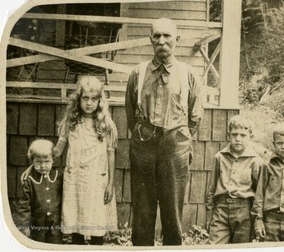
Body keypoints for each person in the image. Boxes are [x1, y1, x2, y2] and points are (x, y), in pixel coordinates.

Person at [125, 17, 203, 246]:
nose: (162, 41)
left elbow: (195, 116)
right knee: (142, 210)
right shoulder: (137, 73)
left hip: (175, 146)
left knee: (173, 212)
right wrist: (146, 136)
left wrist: (177, 139)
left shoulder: (189, 74)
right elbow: (130, 113)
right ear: (150, 39)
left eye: (167, 36)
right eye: (157, 36)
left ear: (176, 39)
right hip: (143, 147)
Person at [21, 75, 119, 245]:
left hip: (97, 180)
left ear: (100, 101)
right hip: (75, 179)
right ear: (78, 99)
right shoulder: (71, 122)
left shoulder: (106, 124)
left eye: (94, 99)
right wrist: (37, 160)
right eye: (85, 98)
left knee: (96, 224)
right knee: (77, 224)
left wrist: (110, 183)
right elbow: (56, 151)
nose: (89, 103)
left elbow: (111, 153)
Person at [205, 115, 263, 244]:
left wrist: (257, 219)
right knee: (214, 246)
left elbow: (259, 194)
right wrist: (209, 214)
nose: (238, 139)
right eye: (234, 134)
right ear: (228, 135)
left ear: (251, 137)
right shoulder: (219, 157)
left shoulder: (255, 161)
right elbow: (211, 188)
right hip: (221, 209)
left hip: (244, 211)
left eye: (243, 135)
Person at [14, 139, 63, 244]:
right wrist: (23, 227)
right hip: (36, 227)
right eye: (38, 162)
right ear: (32, 161)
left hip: (56, 226)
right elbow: (24, 207)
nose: (43, 166)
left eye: (47, 161)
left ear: (53, 159)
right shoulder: (29, 180)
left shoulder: (58, 176)